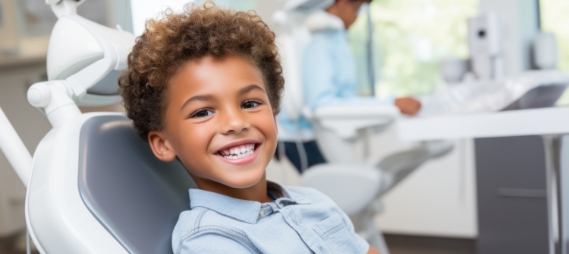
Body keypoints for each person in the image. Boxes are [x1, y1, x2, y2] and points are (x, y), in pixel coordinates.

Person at [119, 3, 380, 254]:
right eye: (203, 112)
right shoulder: (208, 240)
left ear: (274, 111)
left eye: (250, 103)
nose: (236, 123)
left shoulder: (315, 202)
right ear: (163, 144)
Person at [276, 0, 421, 172]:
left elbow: (338, 97)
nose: (357, 17)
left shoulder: (334, 40)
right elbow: (321, 103)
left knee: (355, 189)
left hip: (313, 133)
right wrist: (389, 104)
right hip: (302, 137)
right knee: (346, 192)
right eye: (357, 9)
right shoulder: (320, 44)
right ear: (342, 3)